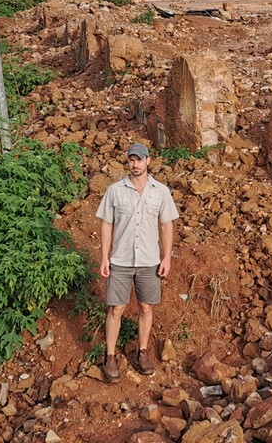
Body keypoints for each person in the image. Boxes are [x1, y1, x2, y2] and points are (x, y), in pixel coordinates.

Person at [95, 143, 179, 382]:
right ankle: (110, 357)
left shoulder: (160, 192)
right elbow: (106, 224)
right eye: (131, 160)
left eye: (139, 160)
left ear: (148, 161)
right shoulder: (115, 191)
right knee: (116, 309)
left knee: (146, 307)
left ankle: (142, 352)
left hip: (149, 261)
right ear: (128, 162)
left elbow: (166, 225)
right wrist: (104, 257)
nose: (135, 164)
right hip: (120, 261)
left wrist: (166, 257)